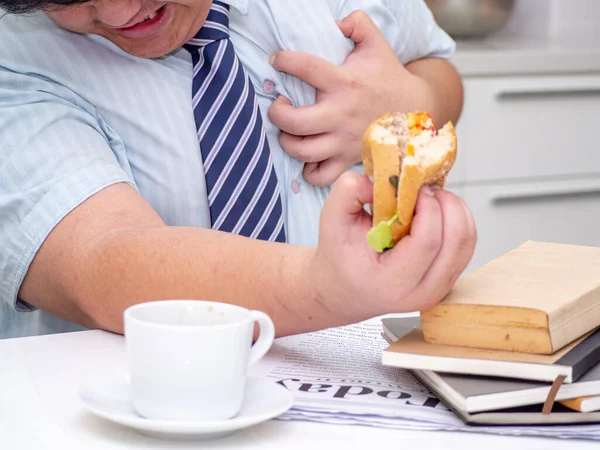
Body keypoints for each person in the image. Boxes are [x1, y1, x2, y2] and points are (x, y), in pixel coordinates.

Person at [0, 0, 476, 339]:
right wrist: (323, 287)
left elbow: (435, 67)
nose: (121, 13)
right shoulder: (17, 57)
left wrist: (407, 107)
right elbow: (98, 262)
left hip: (362, 377)